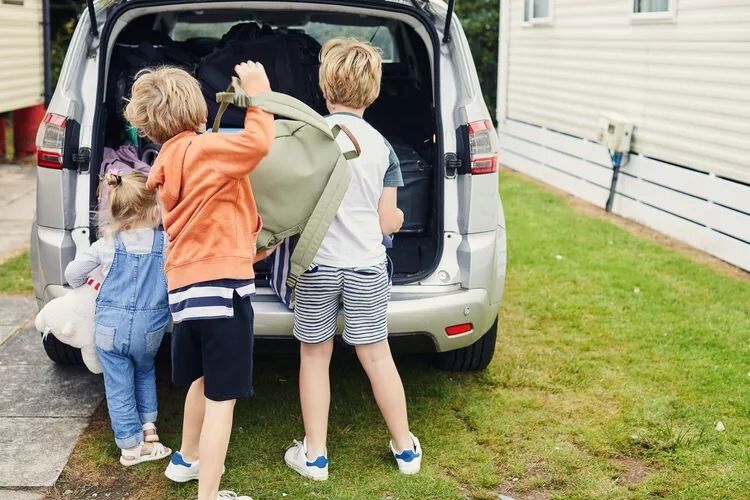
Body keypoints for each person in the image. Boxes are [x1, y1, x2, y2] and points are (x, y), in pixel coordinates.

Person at [124, 63, 274, 500]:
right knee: (222, 400)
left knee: (202, 379)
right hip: (223, 290)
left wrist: (244, 250)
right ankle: (209, 494)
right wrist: (259, 94)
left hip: (186, 287)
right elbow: (259, 143)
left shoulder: (167, 162)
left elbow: (205, 220)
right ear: (199, 110)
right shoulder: (205, 148)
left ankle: (186, 460)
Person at [284, 38, 422, 481]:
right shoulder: (382, 146)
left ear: (325, 89)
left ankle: (315, 456)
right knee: (377, 356)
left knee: (314, 357)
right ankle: (405, 450)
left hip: (317, 266)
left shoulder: (310, 137)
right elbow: (386, 222)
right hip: (365, 266)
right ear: (374, 92)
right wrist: (398, 218)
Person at [65, 172, 171, 467]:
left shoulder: (105, 245)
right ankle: (148, 429)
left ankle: (130, 445)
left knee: (118, 382)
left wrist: (88, 282)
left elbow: (72, 275)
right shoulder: (165, 243)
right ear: (154, 210)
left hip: (110, 328)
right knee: (145, 370)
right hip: (149, 329)